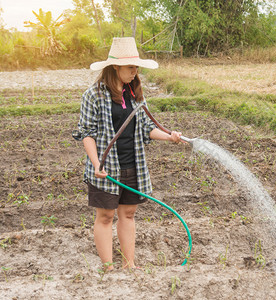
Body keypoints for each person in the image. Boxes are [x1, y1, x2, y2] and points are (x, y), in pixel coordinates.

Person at [73, 37, 183, 270]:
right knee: (105, 216)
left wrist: (170, 136)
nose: (135, 71)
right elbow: (87, 134)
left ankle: (129, 264)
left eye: (136, 67)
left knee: (129, 214)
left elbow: (147, 128)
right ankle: (108, 267)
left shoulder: (134, 94)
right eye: (130, 67)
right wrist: (96, 164)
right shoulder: (93, 95)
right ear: (115, 67)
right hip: (105, 167)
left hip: (132, 163)